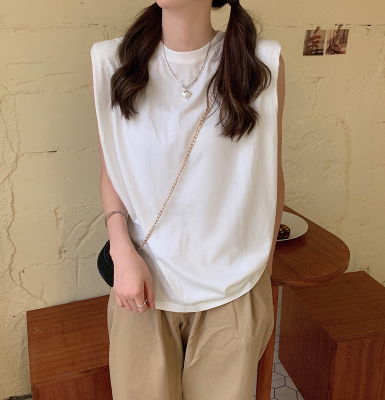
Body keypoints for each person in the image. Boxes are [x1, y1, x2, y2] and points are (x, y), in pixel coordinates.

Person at [90, 0, 285, 398]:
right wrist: (121, 251)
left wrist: (261, 268)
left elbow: (269, 172)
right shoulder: (113, 62)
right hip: (141, 285)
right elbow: (112, 170)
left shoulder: (261, 63)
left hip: (234, 290)